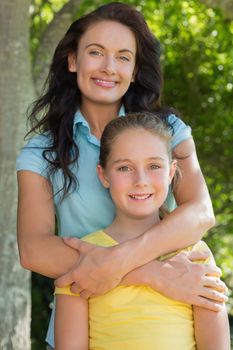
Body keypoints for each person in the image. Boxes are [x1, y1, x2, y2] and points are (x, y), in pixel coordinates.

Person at [16, 2, 227, 349]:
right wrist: (150, 274)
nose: (109, 68)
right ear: (73, 61)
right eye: (96, 52)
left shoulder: (167, 131)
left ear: (134, 69)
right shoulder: (42, 151)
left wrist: (120, 261)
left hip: (169, 317)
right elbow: (34, 249)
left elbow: (200, 212)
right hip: (82, 321)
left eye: (123, 57)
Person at [54, 112, 230, 350]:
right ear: (103, 175)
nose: (141, 180)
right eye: (125, 168)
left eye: (154, 166)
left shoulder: (195, 255)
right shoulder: (85, 255)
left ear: (171, 172)